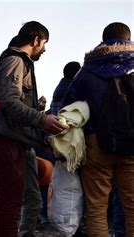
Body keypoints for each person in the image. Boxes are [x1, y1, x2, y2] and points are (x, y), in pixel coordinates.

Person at [0, 21, 66, 236]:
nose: (45, 49)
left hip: (16, 140)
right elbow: (9, 103)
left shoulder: (20, 63)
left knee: (13, 199)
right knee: (9, 202)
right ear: (36, 39)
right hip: (5, 140)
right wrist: (42, 119)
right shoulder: (15, 61)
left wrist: (36, 110)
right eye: (45, 43)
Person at [61, 22, 133, 236]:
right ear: (128, 39)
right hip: (132, 145)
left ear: (103, 40)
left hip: (96, 144)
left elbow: (68, 106)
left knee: (96, 209)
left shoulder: (88, 69)